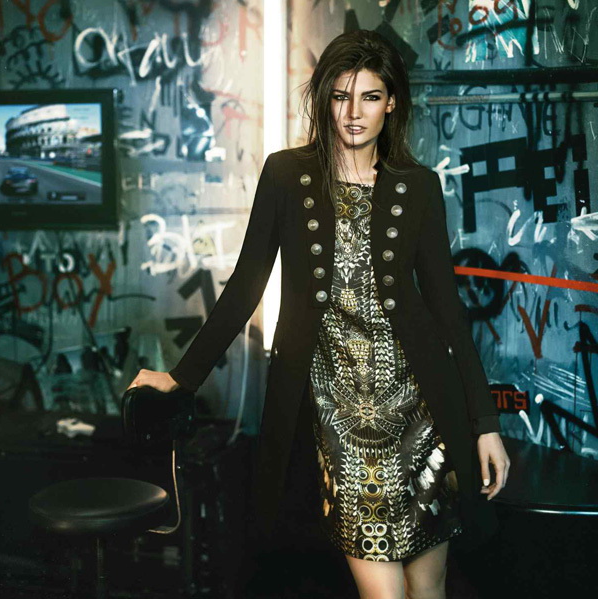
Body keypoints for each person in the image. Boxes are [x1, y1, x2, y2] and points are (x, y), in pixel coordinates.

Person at [127, 29, 510, 598]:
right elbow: (246, 287)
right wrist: (182, 378)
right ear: (325, 99)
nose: (354, 113)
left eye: (370, 97)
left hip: (422, 410)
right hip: (341, 420)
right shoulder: (287, 175)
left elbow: (448, 313)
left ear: (391, 103)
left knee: (427, 588)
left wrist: (485, 424)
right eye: (340, 96)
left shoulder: (418, 187)